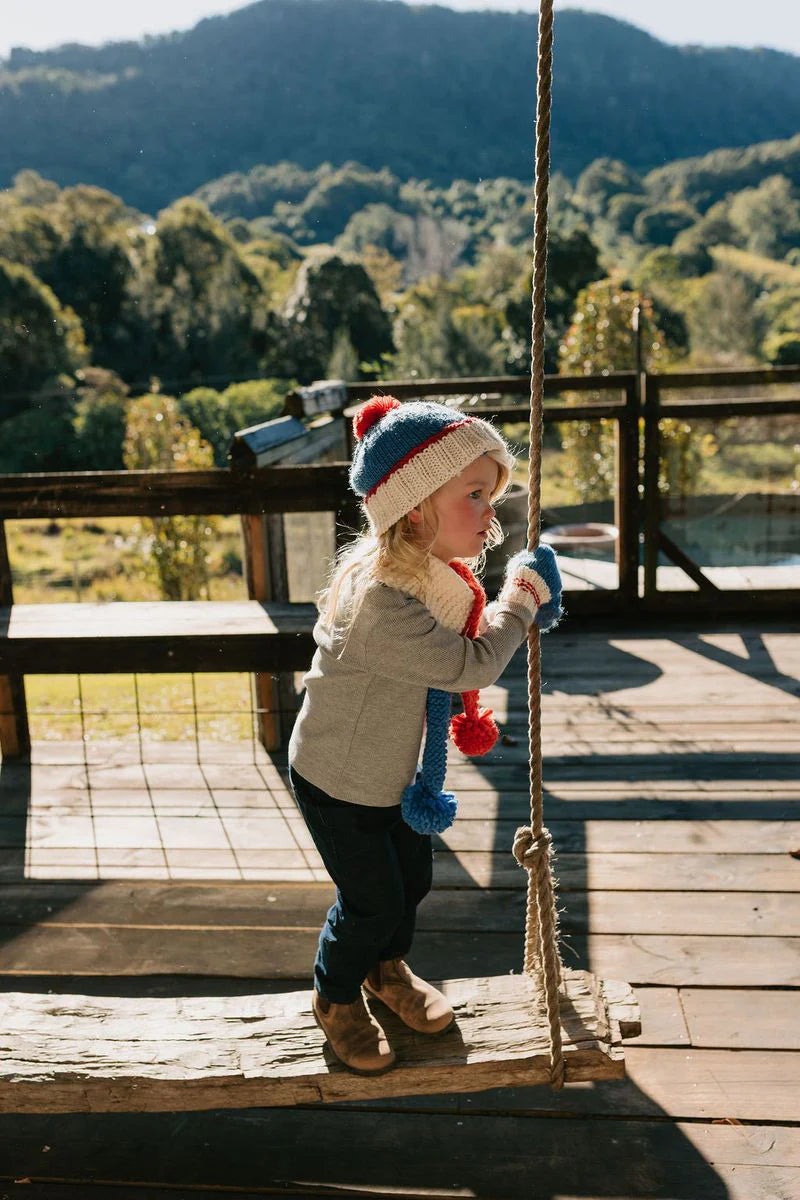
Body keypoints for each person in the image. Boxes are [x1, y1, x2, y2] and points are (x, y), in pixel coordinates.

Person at [288, 395, 563, 1075]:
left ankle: (386, 969)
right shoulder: (382, 602)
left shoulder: (433, 580)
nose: (491, 512)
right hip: (339, 778)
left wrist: (507, 600)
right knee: (371, 897)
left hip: (390, 774)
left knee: (410, 882)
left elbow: (464, 633)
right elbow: (470, 661)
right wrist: (521, 600)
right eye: (474, 494)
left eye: (491, 495)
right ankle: (335, 993)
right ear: (414, 508)